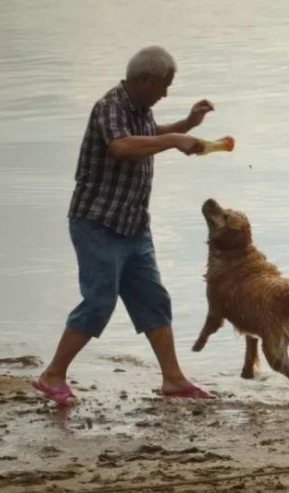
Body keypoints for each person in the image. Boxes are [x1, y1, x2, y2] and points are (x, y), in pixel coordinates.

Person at [32, 46, 214, 406]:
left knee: (153, 299)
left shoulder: (140, 109)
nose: (166, 93)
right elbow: (122, 146)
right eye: (164, 85)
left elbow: (150, 133)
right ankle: (52, 375)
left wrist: (186, 127)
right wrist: (175, 140)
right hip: (97, 223)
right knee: (99, 300)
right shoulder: (110, 106)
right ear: (145, 80)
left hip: (133, 225)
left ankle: (174, 379)